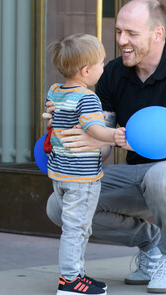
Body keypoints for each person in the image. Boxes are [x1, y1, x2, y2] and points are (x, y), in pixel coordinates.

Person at [45, 0, 166, 294]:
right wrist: (72, 133)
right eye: (118, 31)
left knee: (162, 176)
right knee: (60, 206)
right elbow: (102, 144)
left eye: (131, 34)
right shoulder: (113, 72)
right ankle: (150, 243)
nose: (122, 40)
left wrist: (112, 136)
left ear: (158, 33)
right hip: (136, 174)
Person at [45, 34, 125, 295]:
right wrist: (115, 136)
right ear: (86, 70)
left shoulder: (55, 91)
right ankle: (69, 281)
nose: (104, 68)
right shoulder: (88, 98)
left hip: (60, 172)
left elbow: (53, 118)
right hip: (81, 178)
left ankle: (76, 275)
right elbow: (94, 128)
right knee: (76, 229)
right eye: (102, 63)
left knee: (77, 227)